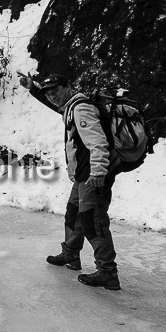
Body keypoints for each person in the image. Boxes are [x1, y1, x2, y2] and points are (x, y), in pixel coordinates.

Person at [20, 72, 121, 291]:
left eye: (55, 91)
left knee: (93, 222)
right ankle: (71, 255)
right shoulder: (71, 108)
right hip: (83, 176)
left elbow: (98, 143)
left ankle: (107, 273)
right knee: (73, 214)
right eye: (49, 94)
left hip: (92, 177)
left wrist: (98, 173)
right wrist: (34, 89)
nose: (53, 97)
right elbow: (57, 107)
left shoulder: (81, 108)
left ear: (68, 86)